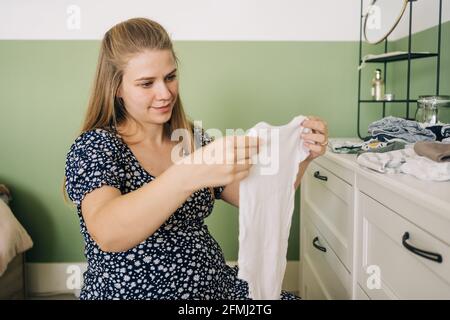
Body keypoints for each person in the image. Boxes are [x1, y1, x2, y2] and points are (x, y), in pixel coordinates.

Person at [64, 17, 328, 300]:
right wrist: (191, 172)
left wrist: (302, 157)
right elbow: (107, 232)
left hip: (215, 287)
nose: (164, 93)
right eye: (146, 83)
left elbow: (258, 194)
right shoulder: (96, 145)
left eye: (170, 77)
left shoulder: (190, 137)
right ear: (117, 88)